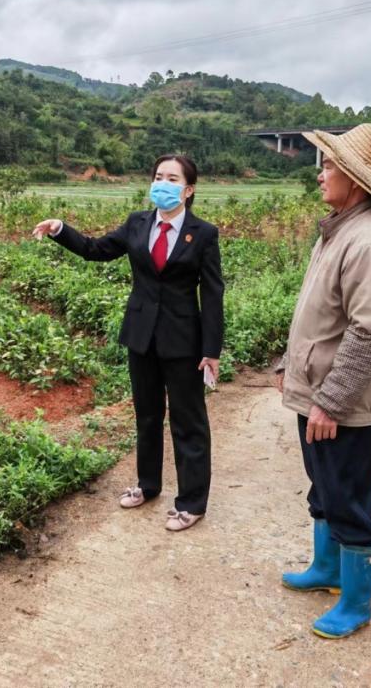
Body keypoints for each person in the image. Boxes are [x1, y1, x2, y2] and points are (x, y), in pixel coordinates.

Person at [32, 155, 223, 532]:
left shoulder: (202, 233)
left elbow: (213, 293)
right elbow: (96, 249)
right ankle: (147, 485)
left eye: (171, 178)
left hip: (183, 341)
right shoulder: (138, 222)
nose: (162, 184)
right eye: (157, 177)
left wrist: (211, 350)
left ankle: (191, 502)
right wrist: (60, 229)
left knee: (189, 423)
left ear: (188, 190)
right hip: (141, 336)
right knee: (147, 416)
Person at [276, 124, 371, 640]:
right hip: (317, 392)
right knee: (324, 486)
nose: (321, 172)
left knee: (348, 496)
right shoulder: (338, 229)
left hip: (339, 403)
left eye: (328, 165)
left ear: (354, 177)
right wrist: (290, 365)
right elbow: (317, 315)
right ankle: (326, 571)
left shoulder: (368, 240)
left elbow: (368, 330)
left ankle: (356, 603)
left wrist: (330, 401)